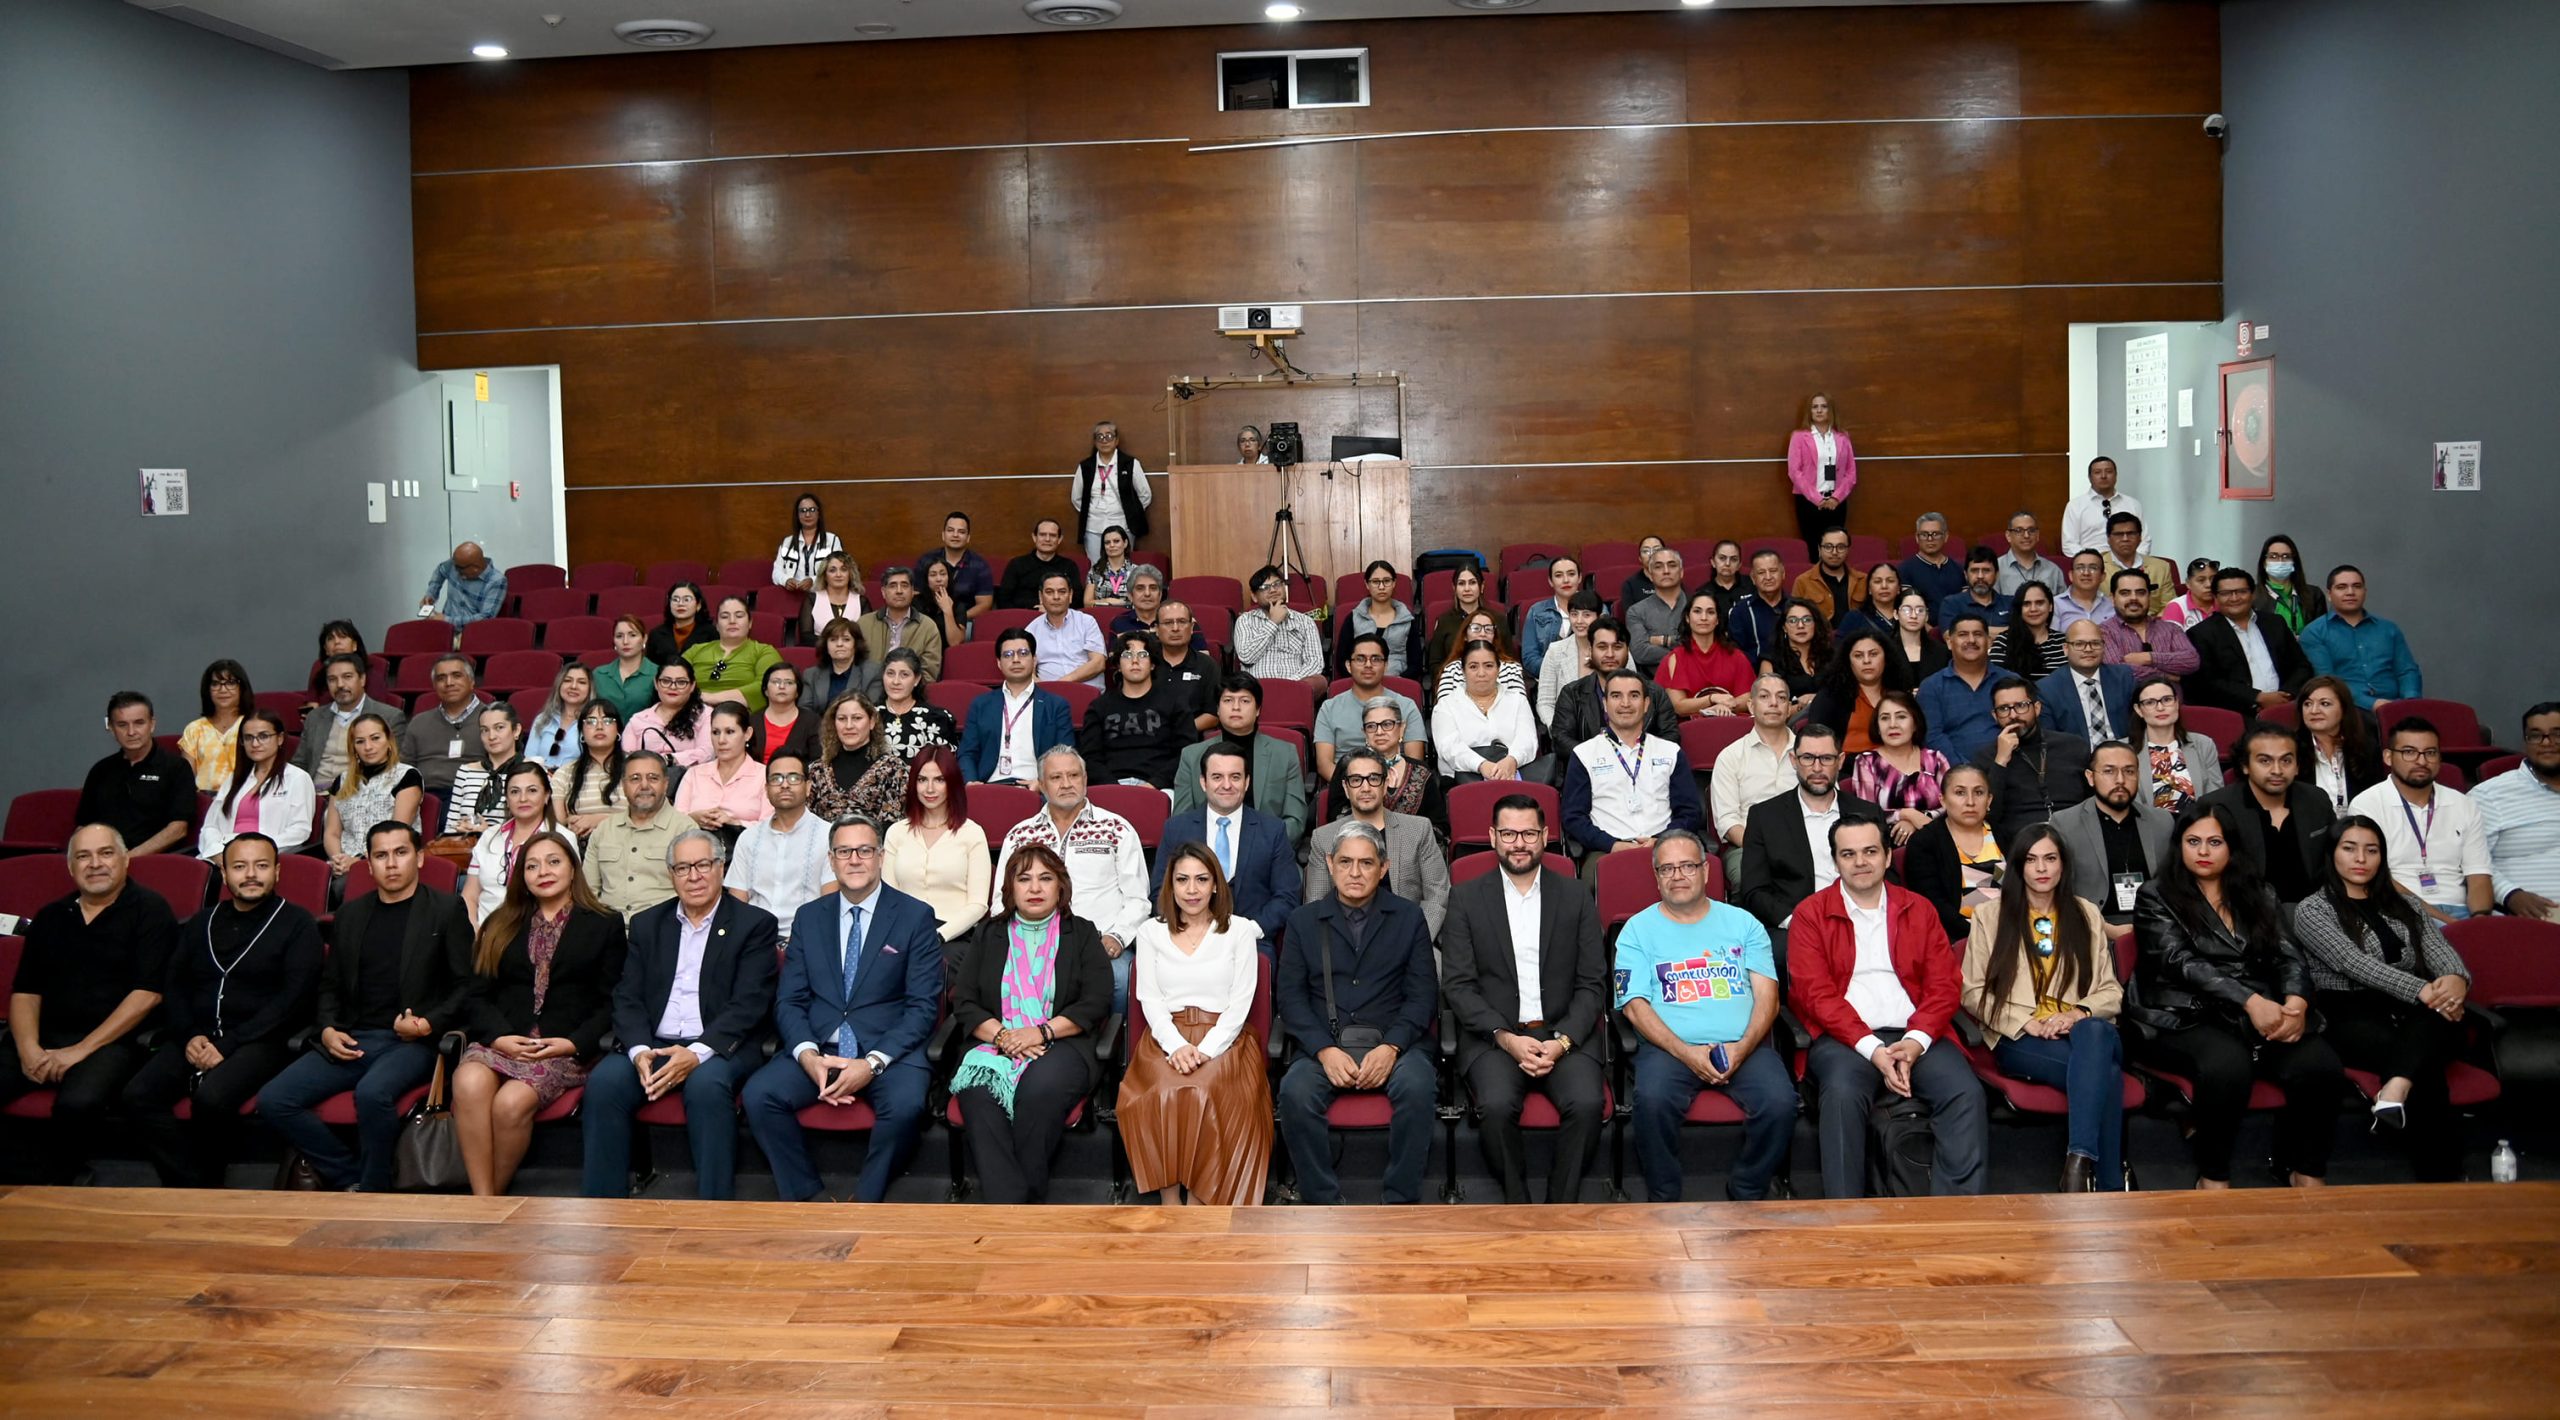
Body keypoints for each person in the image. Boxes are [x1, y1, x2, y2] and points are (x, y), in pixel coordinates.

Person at [2129, 802, 2343, 1189]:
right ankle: (2213, 1176)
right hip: (2183, 1013)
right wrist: (2252, 1001)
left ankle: (2305, 1171)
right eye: (2193, 842)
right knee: (2228, 1067)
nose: (2204, 851)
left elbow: (2288, 956)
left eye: (2215, 841)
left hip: (2257, 1011)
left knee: (2320, 1065)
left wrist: (2295, 1003)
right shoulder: (2155, 894)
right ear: (2180, 846)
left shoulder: (2258, 892)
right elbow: (2180, 963)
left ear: (2232, 847)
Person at [741, 814, 946, 1203]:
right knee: (759, 1095)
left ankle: (866, 1201)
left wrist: (871, 1064)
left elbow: (922, 1006)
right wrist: (807, 1056)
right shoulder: (809, 917)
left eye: (865, 850)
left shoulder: (914, 916)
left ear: (881, 857)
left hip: (889, 1052)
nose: (855, 859)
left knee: (906, 1106)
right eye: (844, 851)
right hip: (821, 1047)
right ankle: (807, 1197)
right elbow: (790, 1000)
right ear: (831, 860)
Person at [258, 823, 472, 1192]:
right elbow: (330, 985)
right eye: (381, 855)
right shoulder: (351, 914)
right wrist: (326, 1028)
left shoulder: (445, 909)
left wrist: (426, 1025)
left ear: (419, 858)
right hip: (353, 1037)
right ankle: (351, 1178)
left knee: (372, 1094)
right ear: (369, 865)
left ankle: (375, 1192)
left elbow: (468, 986)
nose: (392, 864)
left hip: (412, 1042)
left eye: (401, 853)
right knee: (275, 1099)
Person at [1791, 817, 1988, 1198]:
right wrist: (1872, 1050)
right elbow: (1814, 995)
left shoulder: (1920, 909)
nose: (1860, 862)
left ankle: (1958, 1214)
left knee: (1965, 1092)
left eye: (1870, 851)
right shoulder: (1811, 914)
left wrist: (1915, 1042)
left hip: (1917, 1035)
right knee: (1843, 1094)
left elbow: (1944, 985)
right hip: (1846, 1040)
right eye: (1848, 854)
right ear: (1835, 861)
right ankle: (1846, 1216)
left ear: (1886, 857)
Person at [581, 829, 778, 1201]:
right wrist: (639, 1050)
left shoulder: (754, 925)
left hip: (720, 1046)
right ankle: (602, 1208)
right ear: (670, 875)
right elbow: (628, 997)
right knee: (605, 1084)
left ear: (721, 868)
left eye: (703, 864)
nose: (694, 876)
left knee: (706, 1087)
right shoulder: (647, 924)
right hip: (654, 1043)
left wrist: (697, 1053)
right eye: (683, 867)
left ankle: (712, 1208)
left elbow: (750, 1003)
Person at [1442, 796, 1609, 1203]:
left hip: (1564, 1035)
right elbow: (1459, 985)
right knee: (1496, 1107)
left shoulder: (1575, 896)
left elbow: (1593, 983)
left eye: (1530, 834)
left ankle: (1559, 1206)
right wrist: (1504, 1037)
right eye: (1510, 834)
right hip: (1496, 1037)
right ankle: (1518, 1202)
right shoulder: (1465, 899)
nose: (1520, 843)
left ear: (1546, 836)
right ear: (1492, 837)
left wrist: (1563, 1040)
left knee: (1588, 1103)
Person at [1614, 829, 1796, 1202]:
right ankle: (1664, 1196)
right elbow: (1634, 1005)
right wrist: (1686, 1052)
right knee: (1652, 1101)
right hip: (1669, 1049)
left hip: (1744, 1046)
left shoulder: (1744, 924)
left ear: (1706, 871)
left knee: (1781, 1103)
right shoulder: (1636, 930)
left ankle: (1747, 1189)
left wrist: (1743, 1048)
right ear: (1656, 876)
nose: (1678, 875)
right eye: (1667, 869)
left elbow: (1768, 997)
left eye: (1687, 866)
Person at [450, 829, 628, 1197]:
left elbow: (613, 1001)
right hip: (504, 1038)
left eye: (553, 861)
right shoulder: (501, 922)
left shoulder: (603, 923)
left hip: (562, 1047)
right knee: (468, 1082)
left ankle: (487, 1201)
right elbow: (476, 996)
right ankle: (484, 1202)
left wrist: (571, 1043)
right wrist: (499, 1038)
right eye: (531, 866)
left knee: (510, 1103)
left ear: (572, 868)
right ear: (522, 877)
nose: (543, 871)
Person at [2293, 818, 2473, 1179]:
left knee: (2432, 1030)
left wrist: (2454, 980)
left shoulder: (2404, 903)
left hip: (2411, 1010)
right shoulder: (2312, 910)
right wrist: (2422, 990)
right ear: (2331, 854)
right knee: (2425, 1059)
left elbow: (2439, 949)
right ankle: (2445, 1179)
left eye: (2371, 850)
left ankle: (2395, 1088)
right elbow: (2352, 962)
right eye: (2350, 848)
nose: (2361, 858)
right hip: (2347, 1009)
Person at [1275, 823, 1439, 1205]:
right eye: (1345, 861)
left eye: (1366, 863)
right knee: (1294, 1093)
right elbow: (1291, 1000)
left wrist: (1392, 1047)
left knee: (1417, 1088)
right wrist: (1323, 1050)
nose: (1355, 872)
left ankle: (1399, 1201)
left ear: (1384, 868)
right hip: (1325, 1044)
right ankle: (1323, 1202)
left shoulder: (1409, 917)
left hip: (1396, 1044)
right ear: (1330, 864)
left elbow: (1422, 996)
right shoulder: (1303, 921)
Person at [0, 826, 177, 1177]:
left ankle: (63, 1179)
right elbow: (26, 991)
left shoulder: (151, 911)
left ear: (125, 860)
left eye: (105, 853)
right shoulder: (51, 916)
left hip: (113, 1041)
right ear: (70, 868)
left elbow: (148, 995)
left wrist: (80, 1049)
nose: (95, 864)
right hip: (46, 1035)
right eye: (83, 856)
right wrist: (28, 1048)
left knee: (78, 1103)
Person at [1961, 823, 2126, 1191]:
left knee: (2095, 1030)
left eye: (2050, 858)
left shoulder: (2085, 914)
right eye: (2031, 860)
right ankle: (2107, 1183)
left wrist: (2076, 1014)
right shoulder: (1990, 915)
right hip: (2022, 1038)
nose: (2041, 868)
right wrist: (2025, 1022)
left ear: (2063, 865)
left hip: (2080, 1032)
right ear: (2018, 867)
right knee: (2108, 1075)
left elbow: (2111, 991)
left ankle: (2078, 1166)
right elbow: (1972, 990)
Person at [950, 842, 1113, 1202]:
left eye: (1045, 878)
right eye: (1024, 879)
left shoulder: (1082, 933)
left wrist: (1040, 1031)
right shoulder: (989, 933)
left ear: (1060, 886)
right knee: (977, 1093)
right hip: (995, 1042)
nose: (1035, 888)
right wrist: (1007, 1036)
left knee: (1039, 1090)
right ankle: (1014, 1208)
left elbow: (1097, 1000)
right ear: (1010, 888)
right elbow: (965, 1001)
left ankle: (1019, 1204)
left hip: (1062, 1043)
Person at [1119, 844, 1274, 1206]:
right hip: (1166, 1037)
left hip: (1226, 1039)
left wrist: (1203, 1050)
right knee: (1161, 1092)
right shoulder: (1150, 933)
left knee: (1203, 1089)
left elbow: (1240, 1004)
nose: (1192, 890)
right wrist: (1176, 1046)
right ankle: (1170, 1199)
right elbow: (1150, 999)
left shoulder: (1239, 931)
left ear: (1216, 885)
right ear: (1170, 886)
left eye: (1201, 880)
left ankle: (1203, 1199)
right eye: (1183, 880)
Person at [992, 749, 1150, 1009]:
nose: (1066, 784)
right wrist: (1023, 941)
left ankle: (1112, 1047)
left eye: (1074, 775)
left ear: (1085, 779)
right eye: (1056, 777)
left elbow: (1137, 900)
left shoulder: (1116, 829)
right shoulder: (1021, 834)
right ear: (1041, 785)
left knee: (1121, 978)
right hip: (1033, 942)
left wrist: (1117, 937)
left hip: (1100, 943)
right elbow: (1001, 899)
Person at [1736, 725, 1886, 979]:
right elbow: (1754, 890)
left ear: (1840, 761)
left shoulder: (1868, 813)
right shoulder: (1765, 816)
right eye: (1808, 758)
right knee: (1785, 954)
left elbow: (1887, 877)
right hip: (1794, 923)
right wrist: (1797, 921)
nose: (1817, 768)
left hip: (1862, 918)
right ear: (1794, 760)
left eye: (1826, 758)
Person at [1561, 670, 1704, 879]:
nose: (1625, 703)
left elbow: (1690, 812)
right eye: (1616, 696)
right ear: (1605, 704)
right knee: (1600, 880)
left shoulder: (1670, 751)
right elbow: (1573, 818)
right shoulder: (1584, 754)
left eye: (1634, 695)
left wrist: (1662, 840)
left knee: (1694, 876)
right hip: (1607, 851)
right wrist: (1613, 845)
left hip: (1668, 847)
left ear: (1646, 704)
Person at [1156, 743, 1302, 943]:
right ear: (1203, 782)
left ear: (1247, 782)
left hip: (1252, 940)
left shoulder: (1272, 830)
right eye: (1217, 777)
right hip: (1187, 938)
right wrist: (1189, 929)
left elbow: (1287, 895)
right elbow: (1160, 891)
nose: (1227, 785)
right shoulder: (1177, 829)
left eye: (1235, 777)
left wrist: (1251, 930)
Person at [2351, 719, 2494, 921]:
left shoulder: (2463, 804)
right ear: (2388, 757)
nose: (2421, 761)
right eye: (2409, 752)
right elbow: (2377, 879)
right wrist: (2447, 922)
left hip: (2462, 909)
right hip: (2401, 911)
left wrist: (2480, 920)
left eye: (2430, 753)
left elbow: (2479, 874)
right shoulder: (2367, 804)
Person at [1308, 748, 1451, 938]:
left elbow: (1438, 896)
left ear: (1385, 785)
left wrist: (1415, 938)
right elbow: (1316, 905)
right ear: (1346, 788)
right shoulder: (1324, 838)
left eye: (1374, 778)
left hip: (1408, 937)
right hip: (1344, 944)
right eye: (1356, 780)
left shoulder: (1418, 829)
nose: (1365, 788)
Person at [2050, 741, 2173, 942]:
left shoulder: (2161, 822)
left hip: (2155, 928)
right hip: (2093, 929)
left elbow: (2174, 887)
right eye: (2109, 771)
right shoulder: (2064, 824)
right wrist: (2103, 928)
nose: (2120, 780)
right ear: (2090, 778)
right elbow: (2060, 893)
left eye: (2129, 771)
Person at [2203, 723, 2338, 905]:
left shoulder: (2316, 800)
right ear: (2245, 766)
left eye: (2286, 761)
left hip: (2314, 913)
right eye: (2265, 761)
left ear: (2297, 766)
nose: (2277, 770)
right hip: (2244, 913)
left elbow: (2333, 863)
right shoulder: (2216, 808)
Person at [1174, 676, 1311, 841]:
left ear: (1258, 709)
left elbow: (1295, 820)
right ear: (1217, 709)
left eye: (1245, 701)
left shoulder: (1284, 753)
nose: (1236, 707)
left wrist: (1265, 848)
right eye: (1228, 700)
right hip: (1208, 856)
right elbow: (1181, 821)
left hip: (1268, 851)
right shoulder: (1191, 756)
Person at [880, 747, 991, 944]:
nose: (929, 789)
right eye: (922, 780)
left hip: (954, 936)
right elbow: (888, 899)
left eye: (939, 780)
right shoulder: (896, 832)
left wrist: (939, 935)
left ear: (952, 783)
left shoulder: (972, 833)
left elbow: (978, 905)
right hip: (904, 934)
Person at [77, 694, 199, 859]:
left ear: (152, 724)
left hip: (153, 861)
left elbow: (178, 830)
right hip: (102, 861)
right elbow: (84, 825)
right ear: (111, 728)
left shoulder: (176, 768)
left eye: (139, 723)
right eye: (122, 725)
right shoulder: (100, 770)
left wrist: (128, 859)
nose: (131, 732)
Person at [1548, 617, 1679, 769]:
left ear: (1628, 650)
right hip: (1590, 776)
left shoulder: (1654, 693)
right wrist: (1603, 759)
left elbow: (1671, 737)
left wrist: (1635, 757)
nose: (1610, 654)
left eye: (1617, 647)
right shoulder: (1572, 693)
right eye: (1602, 647)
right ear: (1590, 650)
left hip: (1644, 773)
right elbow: (1561, 740)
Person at [1975, 676, 2093, 843]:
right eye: (2003, 709)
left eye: (2021, 706)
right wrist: (2000, 761)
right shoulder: (1987, 757)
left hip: (2075, 835)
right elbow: (1988, 813)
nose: (2013, 715)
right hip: (2019, 843)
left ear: (2037, 708)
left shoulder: (2073, 746)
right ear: (1995, 716)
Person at [582, 753, 696, 923]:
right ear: (623, 785)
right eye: (635, 779)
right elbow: (588, 892)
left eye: (653, 778)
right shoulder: (604, 830)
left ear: (665, 784)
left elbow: (694, 893)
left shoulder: (685, 829)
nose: (644, 785)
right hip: (609, 932)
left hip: (664, 931)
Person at [729, 751, 830, 941]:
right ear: (766, 789)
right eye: (776, 779)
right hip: (755, 941)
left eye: (793, 778)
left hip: (808, 940)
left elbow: (829, 904)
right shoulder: (749, 838)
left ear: (808, 787)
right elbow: (737, 904)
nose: (784, 784)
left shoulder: (828, 836)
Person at [2187, 567, 2314, 716]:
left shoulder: (2275, 623)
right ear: (2215, 597)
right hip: (2238, 715)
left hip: (2286, 707)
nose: (2234, 598)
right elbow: (2208, 683)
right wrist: (2257, 698)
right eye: (2226, 593)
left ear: (2252, 594)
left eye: (2241, 591)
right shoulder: (2201, 633)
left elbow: (2301, 666)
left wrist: (2285, 696)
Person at [1903, 764, 2004, 946]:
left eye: (1979, 793)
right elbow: (1932, 904)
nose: (1970, 802)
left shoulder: (2007, 836)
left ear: (1989, 800)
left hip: (2010, 933)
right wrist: (1978, 934)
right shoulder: (1924, 843)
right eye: (1960, 793)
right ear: (1942, 800)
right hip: (1955, 939)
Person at [958, 629, 1075, 786]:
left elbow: (1066, 756)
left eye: (1023, 653)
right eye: (1008, 655)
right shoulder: (980, 705)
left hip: (1036, 788)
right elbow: (967, 753)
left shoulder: (1056, 705)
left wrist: (1043, 785)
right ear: (999, 663)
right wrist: (971, 782)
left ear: (1034, 660)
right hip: (990, 786)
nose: (1015, 660)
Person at [2477, 703, 2560, 922]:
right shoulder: (2490, 795)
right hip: (2535, 918)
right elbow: (2468, 859)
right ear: (2525, 742)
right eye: (2535, 736)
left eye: (2557, 734)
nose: (2547, 743)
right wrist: (2510, 894)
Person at [465, 762, 576, 925]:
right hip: (486, 934)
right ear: (507, 800)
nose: (523, 798)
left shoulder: (563, 837)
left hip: (538, 935)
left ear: (546, 796)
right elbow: (470, 895)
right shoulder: (489, 836)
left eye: (532, 790)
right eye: (515, 792)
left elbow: (570, 898)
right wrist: (473, 931)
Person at [2299, 565, 2421, 711]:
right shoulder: (2314, 632)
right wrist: (2373, 704)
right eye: (2342, 587)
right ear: (2329, 594)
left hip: (2396, 705)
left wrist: (2410, 701)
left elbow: (2406, 670)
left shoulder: (2388, 629)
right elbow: (2327, 681)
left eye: (2357, 586)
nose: (2350, 592)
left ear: (2364, 591)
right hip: (2348, 709)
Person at [195, 710, 315, 858]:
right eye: (248, 738)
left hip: (267, 858)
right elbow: (210, 826)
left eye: (263, 736)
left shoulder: (297, 778)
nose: (255, 743)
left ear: (280, 739)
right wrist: (217, 852)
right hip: (224, 855)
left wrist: (254, 851)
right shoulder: (235, 778)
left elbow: (299, 830)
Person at [1072, 633, 1185, 789]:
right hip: (1110, 786)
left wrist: (1154, 784)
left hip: (1161, 787)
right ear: (1118, 664)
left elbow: (1184, 754)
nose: (1135, 660)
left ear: (1152, 664)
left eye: (1143, 655)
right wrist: (1115, 789)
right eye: (1127, 655)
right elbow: (1090, 757)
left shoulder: (1175, 704)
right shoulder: (1099, 707)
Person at [1710, 677, 1799, 873]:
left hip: (1804, 844)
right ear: (1751, 706)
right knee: (1749, 875)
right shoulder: (1731, 756)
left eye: (1781, 697)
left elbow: (1829, 805)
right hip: (1749, 846)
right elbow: (1727, 821)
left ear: (1789, 707)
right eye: (1765, 696)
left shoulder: (1809, 753)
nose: (1774, 703)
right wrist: (1764, 847)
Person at [1313, 633, 1428, 782]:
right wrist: (1356, 787)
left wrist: (1387, 789)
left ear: (1386, 665)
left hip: (1396, 787)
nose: (1368, 664)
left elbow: (1414, 764)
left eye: (1376, 659)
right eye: (1360, 659)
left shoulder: (1406, 706)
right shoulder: (1329, 708)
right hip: (1345, 787)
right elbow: (1324, 765)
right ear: (1348, 665)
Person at [1846, 690, 1949, 847]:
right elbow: (1866, 814)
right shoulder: (1866, 762)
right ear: (1878, 727)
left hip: (1937, 842)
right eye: (1885, 718)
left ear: (1915, 723)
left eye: (1901, 716)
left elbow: (1952, 804)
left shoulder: (1935, 759)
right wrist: (1905, 814)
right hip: (1888, 846)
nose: (1893, 724)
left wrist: (1918, 820)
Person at [326, 713, 425, 875]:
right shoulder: (341, 780)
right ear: (353, 747)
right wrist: (339, 859)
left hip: (388, 864)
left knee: (343, 889)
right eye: (360, 741)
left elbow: (397, 834)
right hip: (342, 865)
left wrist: (358, 863)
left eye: (375, 738)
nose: (368, 747)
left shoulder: (407, 776)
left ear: (389, 741)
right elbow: (332, 832)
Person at [294, 652, 407, 789]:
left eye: (347, 677)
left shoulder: (389, 717)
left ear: (362, 679)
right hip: (314, 794)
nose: (340, 684)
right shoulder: (315, 717)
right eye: (332, 679)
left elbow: (393, 767)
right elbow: (299, 764)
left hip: (358, 793)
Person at [1433, 642, 1539, 784]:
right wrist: (1482, 765)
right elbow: (1448, 747)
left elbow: (1528, 739)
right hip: (1462, 781)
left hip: (1512, 775)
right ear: (1463, 671)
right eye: (1473, 666)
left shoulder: (1517, 700)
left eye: (1488, 665)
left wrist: (1511, 760)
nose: (1481, 673)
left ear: (1498, 669)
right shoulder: (1446, 705)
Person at [809, 692, 909, 825]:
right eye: (842, 719)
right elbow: (808, 821)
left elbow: (892, 825)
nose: (849, 726)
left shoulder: (893, 769)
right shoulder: (817, 770)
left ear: (872, 722)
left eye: (857, 718)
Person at [674, 703, 770, 840]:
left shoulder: (764, 776)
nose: (721, 740)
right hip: (696, 851)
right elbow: (675, 822)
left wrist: (734, 823)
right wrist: (693, 818)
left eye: (730, 732)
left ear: (747, 734)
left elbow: (772, 827)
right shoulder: (694, 773)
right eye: (715, 732)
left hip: (746, 850)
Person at [1807, 628, 1908, 753]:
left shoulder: (1900, 694)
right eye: (1858, 656)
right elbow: (1816, 744)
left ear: (1886, 658)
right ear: (1848, 662)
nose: (1866, 661)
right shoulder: (1830, 697)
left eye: (1873, 654)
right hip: (1848, 769)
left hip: (1896, 767)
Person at [1919, 612, 2002, 761]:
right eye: (1963, 634)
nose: (1971, 640)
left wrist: (2000, 766)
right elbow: (1932, 737)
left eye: (1977, 634)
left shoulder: (2009, 681)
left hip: (2006, 770)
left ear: (1989, 642)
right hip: (1953, 776)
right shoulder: (1931, 687)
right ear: (1950, 642)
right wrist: (1964, 772)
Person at [2039, 619, 2138, 745]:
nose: (2088, 649)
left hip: (2124, 753)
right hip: (2077, 760)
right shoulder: (2047, 689)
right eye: (2079, 644)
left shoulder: (2123, 677)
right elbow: (2049, 739)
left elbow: (2139, 724)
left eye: (2095, 643)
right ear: (2065, 649)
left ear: (2103, 647)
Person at [442, 701, 531, 840]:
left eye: (499, 728)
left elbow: (537, 829)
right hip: (466, 850)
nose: (491, 736)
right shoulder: (465, 771)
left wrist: (488, 833)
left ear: (516, 730)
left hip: (511, 853)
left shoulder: (532, 771)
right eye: (485, 730)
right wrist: (460, 832)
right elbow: (450, 827)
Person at [2295, 675, 2385, 813]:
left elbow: (2376, 801)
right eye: (2307, 704)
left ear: (2344, 709)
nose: (2314, 711)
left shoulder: (2367, 748)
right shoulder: (2291, 750)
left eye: (2324, 704)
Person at [2132, 678, 2221, 813]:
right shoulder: (2124, 750)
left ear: (2177, 703)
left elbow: (2216, 796)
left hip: (2197, 826)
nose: (2160, 707)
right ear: (2138, 710)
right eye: (2150, 702)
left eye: (2167, 700)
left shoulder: (2203, 744)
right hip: (2148, 828)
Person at [1658, 592, 1754, 719]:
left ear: (1717, 620)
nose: (1704, 617)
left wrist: (1724, 707)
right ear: (1687, 618)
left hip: (1732, 726)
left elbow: (1749, 699)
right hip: (1689, 731)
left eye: (1710, 612)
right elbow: (1678, 706)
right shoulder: (1675, 659)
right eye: (1697, 611)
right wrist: (1711, 700)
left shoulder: (1737, 656)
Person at [1235, 563, 1328, 689]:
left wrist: (1290, 683)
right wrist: (1273, 623)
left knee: (1320, 680)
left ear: (1284, 587)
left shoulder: (1305, 621)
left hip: (1295, 687)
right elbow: (1246, 657)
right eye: (1265, 587)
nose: (1273, 590)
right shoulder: (1245, 620)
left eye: (1277, 584)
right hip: (1257, 688)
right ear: (1254, 597)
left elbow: (1315, 663)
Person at [684, 596, 784, 713]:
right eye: (725, 616)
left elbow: (768, 686)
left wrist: (710, 698)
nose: (732, 621)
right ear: (717, 625)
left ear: (750, 623)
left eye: (739, 616)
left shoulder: (764, 651)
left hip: (740, 716)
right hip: (693, 714)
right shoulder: (695, 650)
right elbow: (673, 678)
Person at [2099, 566, 2199, 682]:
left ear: (2149, 596)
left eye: (2141, 593)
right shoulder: (2104, 631)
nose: (2134, 598)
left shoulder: (2171, 629)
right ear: (2113, 598)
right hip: (2129, 699)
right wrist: (2167, 676)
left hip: (2171, 699)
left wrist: (2149, 658)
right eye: (2125, 593)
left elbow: (2192, 661)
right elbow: (2118, 670)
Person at [1069, 420, 1150, 561]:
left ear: (1117, 440)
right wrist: (1093, 512)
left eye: (1109, 436)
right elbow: (1076, 498)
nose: (1104, 440)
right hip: (1093, 527)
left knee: (1123, 566)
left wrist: (1131, 512)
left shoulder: (1130, 463)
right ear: (1095, 441)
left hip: (1123, 525)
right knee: (1097, 566)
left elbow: (1145, 495)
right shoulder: (1085, 466)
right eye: (1100, 437)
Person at [1786, 391, 1856, 545]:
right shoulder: (1798, 436)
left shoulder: (1842, 436)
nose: (1819, 410)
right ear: (1809, 411)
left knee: (1834, 547)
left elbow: (1851, 472)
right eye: (1814, 407)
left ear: (1830, 410)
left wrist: (1836, 497)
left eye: (1823, 406)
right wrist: (1817, 499)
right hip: (1808, 502)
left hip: (1837, 502)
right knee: (1813, 547)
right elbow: (1794, 472)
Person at [858, 566, 947, 683]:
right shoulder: (864, 624)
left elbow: (928, 673)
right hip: (868, 691)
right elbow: (855, 666)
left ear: (912, 591)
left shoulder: (927, 627)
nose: (899, 591)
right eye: (893, 586)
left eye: (904, 585)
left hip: (911, 694)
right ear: (883, 592)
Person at [1533, 590, 1606, 729]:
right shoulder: (1555, 651)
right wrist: (1558, 729)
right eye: (1574, 614)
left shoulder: (1615, 648)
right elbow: (1545, 702)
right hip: (1568, 730)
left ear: (1599, 617)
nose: (1579, 621)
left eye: (1586, 615)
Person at [550, 703, 624, 839]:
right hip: (581, 847)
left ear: (618, 730)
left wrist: (599, 820)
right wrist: (569, 822)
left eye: (608, 721)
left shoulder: (635, 768)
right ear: (582, 732)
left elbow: (649, 814)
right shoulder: (565, 773)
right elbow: (559, 823)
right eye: (590, 721)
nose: (599, 727)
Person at [1334, 561, 1419, 680]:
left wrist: (1399, 681)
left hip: (1396, 683)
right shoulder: (1353, 618)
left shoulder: (1407, 620)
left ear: (1394, 583)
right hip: (1359, 684)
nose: (1381, 587)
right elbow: (1342, 661)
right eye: (1375, 582)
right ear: (1367, 584)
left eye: (1387, 581)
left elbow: (1415, 665)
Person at [621, 660, 712, 769]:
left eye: (681, 682)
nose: (673, 687)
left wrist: (668, 759)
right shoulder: (638, 720)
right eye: (666, 681)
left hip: (692, 780)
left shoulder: (705, 715)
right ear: (656, 683)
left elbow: (707, 753)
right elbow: (628, 760)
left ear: (692, 686)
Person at [1430, 608, 1529, 706]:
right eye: (1476, 628)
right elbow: (1444, 710)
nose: (1482, 634)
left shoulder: (1512, 669)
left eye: (1488, 629)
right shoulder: (1451, 670)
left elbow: (1521, 707)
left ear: (1494, 636)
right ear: (1465, 635)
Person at [179, 658, 252, 791]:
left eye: (231, 683)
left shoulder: (253, 725)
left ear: (242, 688)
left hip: (245, 799)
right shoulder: (194, 729)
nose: (222, 689)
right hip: (204, 802)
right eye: (215, 684)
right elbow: (186, 780)